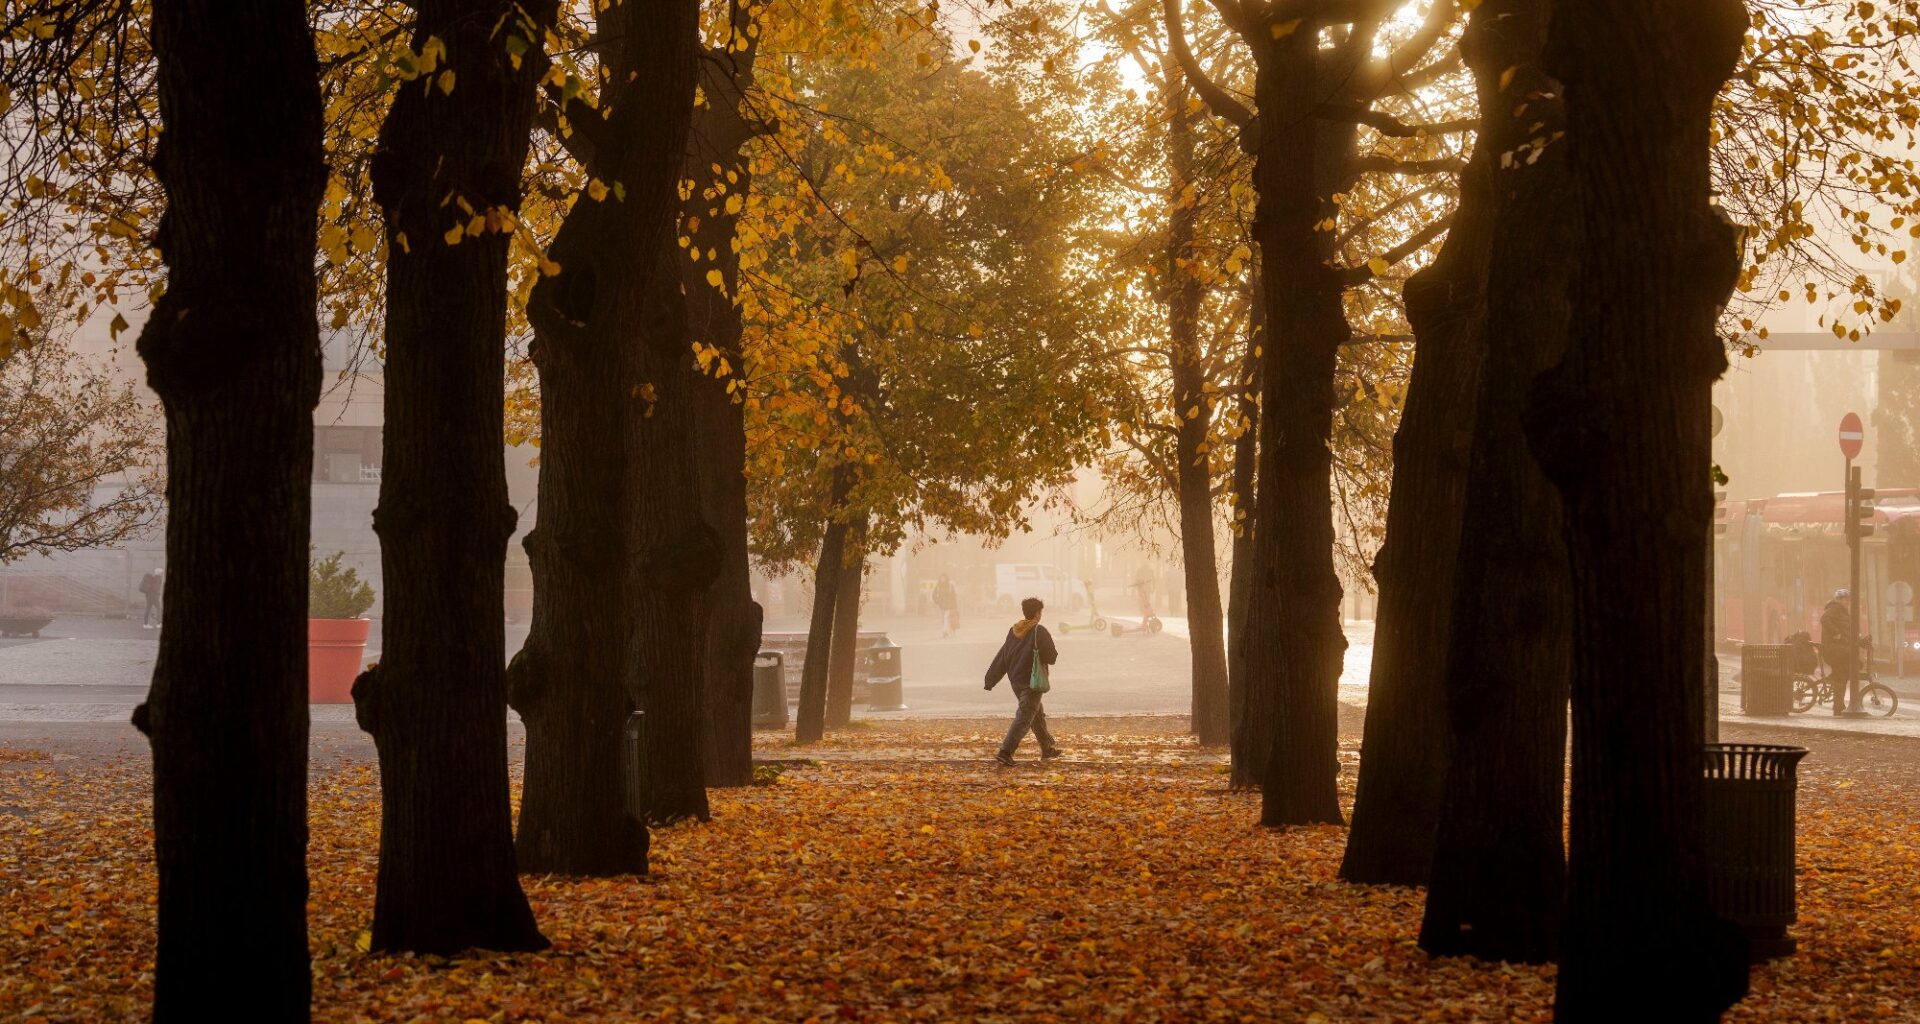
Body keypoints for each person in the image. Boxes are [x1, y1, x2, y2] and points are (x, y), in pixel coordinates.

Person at [984, 596, 1061, 766]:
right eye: (1040, 612)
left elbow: (1003, 656)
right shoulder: (1039, 631)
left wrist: (990, 679)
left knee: (1036, 714)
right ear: (1037, 613)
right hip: (1032, 682)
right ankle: (1005, 752)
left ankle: (1047, 748)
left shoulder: (1014, 631)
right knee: (1025, 717)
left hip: (1016, 682)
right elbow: (1052, 657)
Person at [1820, 588, 1857, 714]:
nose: (1847, 602)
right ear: (1839, 600)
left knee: (1843, 675)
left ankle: (1839, 704)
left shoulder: (1842, 611)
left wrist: (1861, 641)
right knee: (1841, 677)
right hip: (1835, 651)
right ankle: (1838, 707)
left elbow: (1847, 631)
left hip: (1839, 650)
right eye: (1845, 599)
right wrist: (1835, 633)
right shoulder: (1835, 609)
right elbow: (1824, 619)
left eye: (1848, 600)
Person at [933, 573, 959, 637]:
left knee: (947, 618)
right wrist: (937, 601)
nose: (943, 579)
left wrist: (955, 605)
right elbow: (934, 595)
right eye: (941, 578)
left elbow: (954, 596)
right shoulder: (938, 586)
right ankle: (947, 631)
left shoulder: (950, 586)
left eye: (944, 578)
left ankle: (945, 631)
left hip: (950, 605)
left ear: (946, 579)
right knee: (944, 618)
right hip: (942, 606)